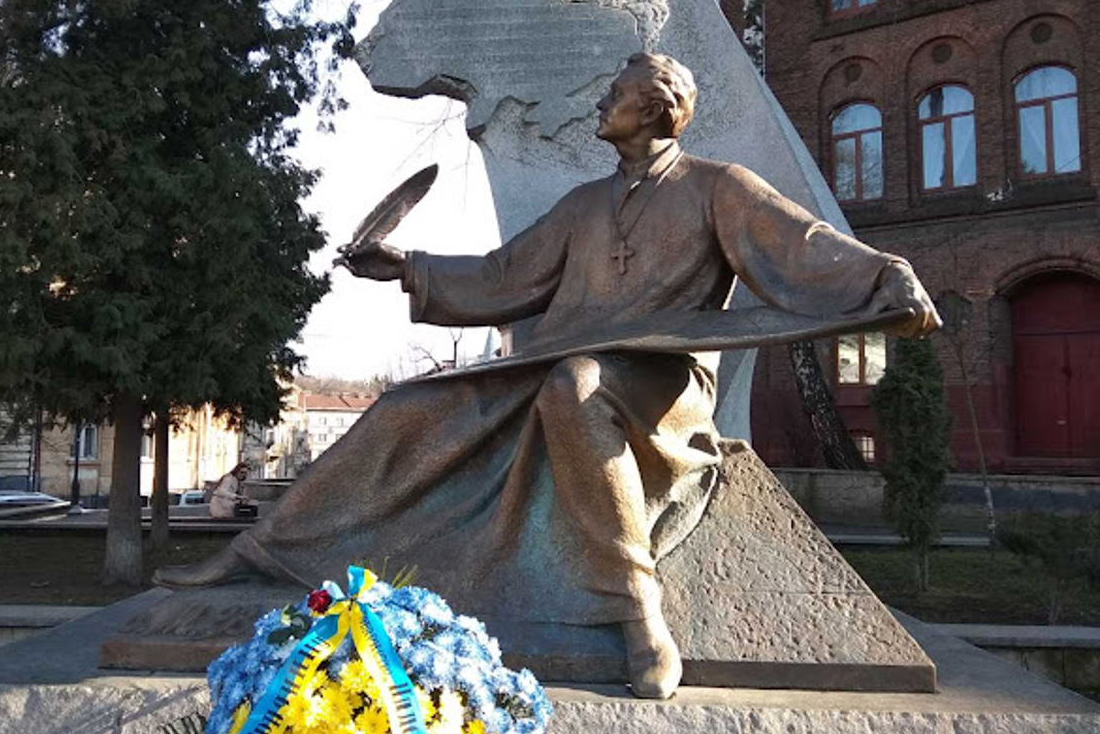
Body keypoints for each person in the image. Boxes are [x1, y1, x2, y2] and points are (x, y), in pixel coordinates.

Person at [156, 52, 940, 698]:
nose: (600, 102)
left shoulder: (718, 188)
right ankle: (263, 551)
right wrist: (403, 267)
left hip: (659, 382)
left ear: (658, 110)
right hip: (557, 363)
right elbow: (504, 275)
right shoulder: (583, 204)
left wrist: (887, 278)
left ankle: (639, 614)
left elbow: (801, 246)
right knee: (408, 406)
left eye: (615, 94)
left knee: (578, 387)